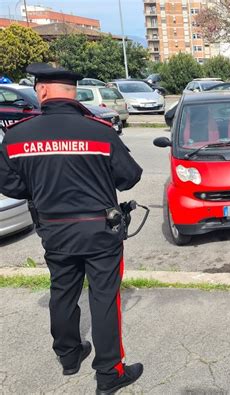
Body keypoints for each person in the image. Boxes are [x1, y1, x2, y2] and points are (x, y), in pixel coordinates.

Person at [0, 63, 143, 394]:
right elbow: (130, 176)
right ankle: (109, 372)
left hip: (54, 231)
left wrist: (40, 188)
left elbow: (9, 183)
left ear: (43, 91)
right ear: (73, 92)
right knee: (104, 297)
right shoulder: (100, 131)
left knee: (62, 292)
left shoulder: (18, 134)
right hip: (100, 230)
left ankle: (68, 356)